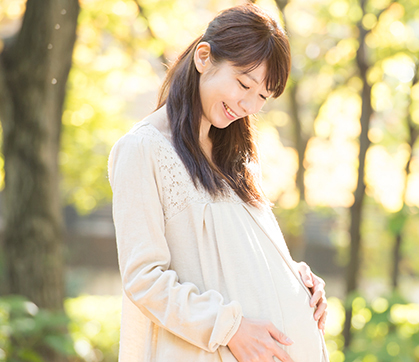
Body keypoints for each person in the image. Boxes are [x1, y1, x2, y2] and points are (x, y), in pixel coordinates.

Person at [108, 4, 328, 362]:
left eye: (262, 96)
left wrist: (298, 278)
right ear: (204, 57)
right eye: (244, 83)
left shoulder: (235, 157)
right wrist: (229, 327)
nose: (249, 104)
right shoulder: (143, 149)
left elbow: (236, 255)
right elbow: (143, 279)